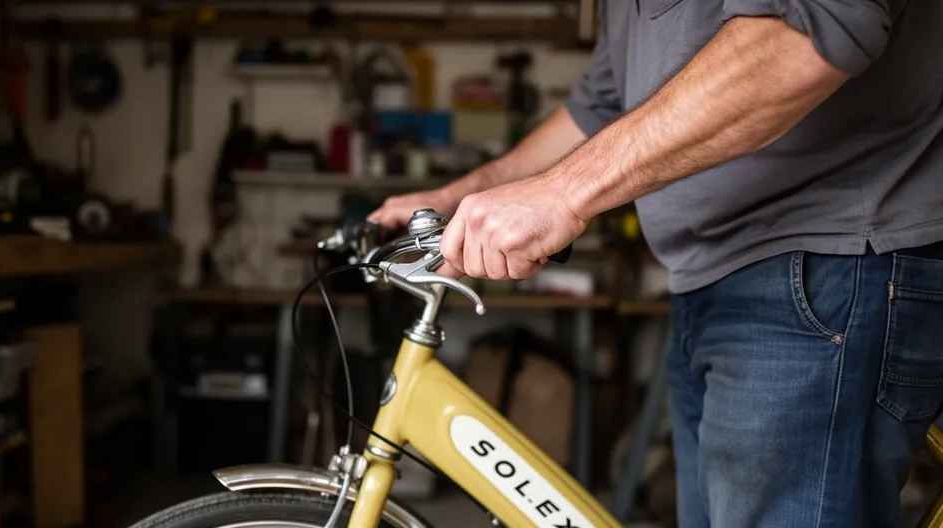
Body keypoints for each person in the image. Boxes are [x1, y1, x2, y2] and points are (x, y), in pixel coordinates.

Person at [369, 2, 943, 527]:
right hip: (707, 282)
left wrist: (562, 193)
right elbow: (600, 106)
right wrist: (460, 198)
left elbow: (802, 37)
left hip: (825, 271)